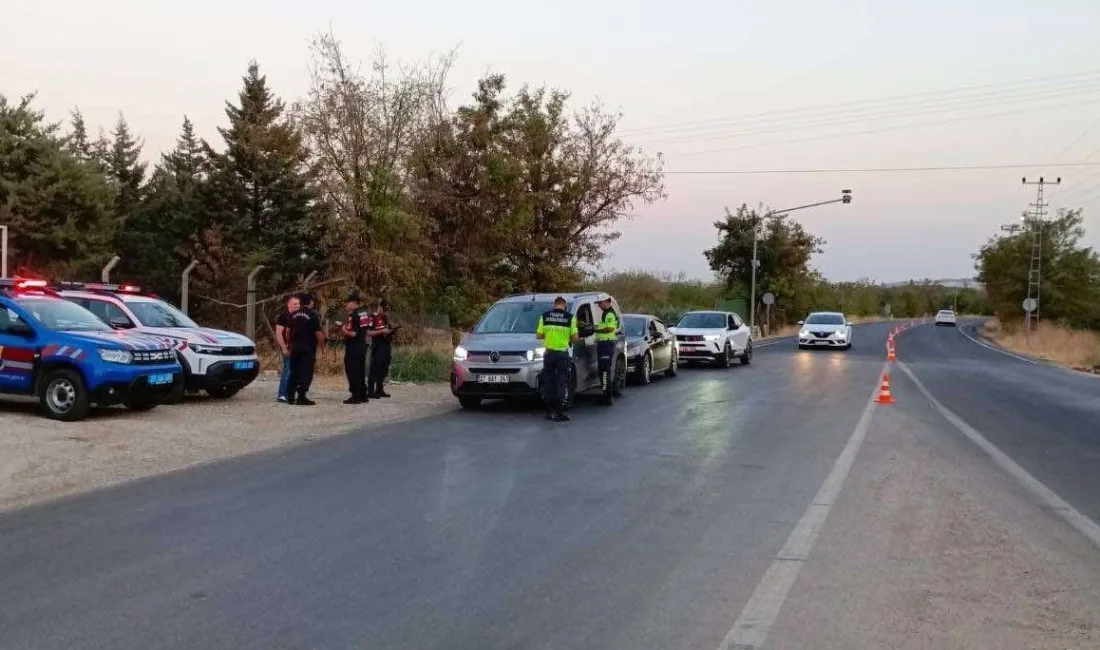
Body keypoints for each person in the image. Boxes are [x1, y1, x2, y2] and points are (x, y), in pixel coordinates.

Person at [535, 296, 579, 421]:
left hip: (548, 353)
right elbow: (575, 338)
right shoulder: (570, 318)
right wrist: (565, 337)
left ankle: (550, 411)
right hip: (562, 354)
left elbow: (538, 335)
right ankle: (560, 412)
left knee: (549, 381)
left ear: (554, 304)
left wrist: (549, 334)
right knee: (562, 382)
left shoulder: (545, 316)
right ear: (564, 305)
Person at [285, 293, 323, 406]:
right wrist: (323, 347)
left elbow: (287, 331)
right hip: (308, 348)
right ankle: (301, 396)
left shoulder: (293, 314)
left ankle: (290, 396)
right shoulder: (312, 315)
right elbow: (318, 333)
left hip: (295, 347)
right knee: (306, 373)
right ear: (310, 302)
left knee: (294, 372)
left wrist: (289, 344)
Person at [340, 291, 371, 404]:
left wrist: (343, 330)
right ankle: (363, 395)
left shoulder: (353, 315)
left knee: (352, 371)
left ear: (353, 302)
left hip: (353, 347)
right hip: (362, 346)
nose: (346, 305)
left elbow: (353, 333)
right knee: (360, 371)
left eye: (347, 303)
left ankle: (355, 396)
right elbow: (364, 330)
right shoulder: (364, 313)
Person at [594, 296, 620, 405]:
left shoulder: (609, 313)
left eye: (600, 303)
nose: (599, 306)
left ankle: (607, 397)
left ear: (606, 301)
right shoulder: (606, 313)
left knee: (604, 370)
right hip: (604, 343)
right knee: (603, 370)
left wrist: (595, 329)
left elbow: (609, 328)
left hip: (606, 343)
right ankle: (606, 394)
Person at [366, 299, 394, 398]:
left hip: (386, 346)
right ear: (379, 307)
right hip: (377, 346)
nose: (385, 311)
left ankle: (379, 389)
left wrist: (391, 332)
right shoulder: (372, 317)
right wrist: (382, 331)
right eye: (384, 308)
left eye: (387, 309)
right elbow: (368, 332)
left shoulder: (386, 318)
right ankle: (370, 391)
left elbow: (389, 329)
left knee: (383, 369)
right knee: (375, 368)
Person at [275, 295, 300, 403]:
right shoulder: (283, 316)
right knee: (287, 370)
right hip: (288, 348)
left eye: (298, 304)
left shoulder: (299, 316)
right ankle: (282, 394)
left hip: (297, 347)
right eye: (295, 304)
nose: (297, 306)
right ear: (288, 304)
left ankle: (291, 393)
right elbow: (279, 333)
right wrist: (284, 348)